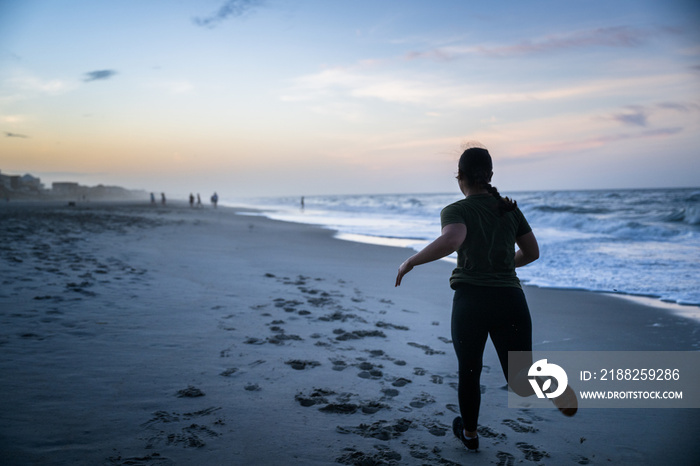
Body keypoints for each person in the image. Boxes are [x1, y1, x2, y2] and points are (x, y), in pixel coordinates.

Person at [395, 146, 576, 452]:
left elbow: (452, 240)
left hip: (472, 302)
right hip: (511, 300)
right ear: (490, 176)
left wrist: (410, 262)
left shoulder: (457, 210)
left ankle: (470, 434)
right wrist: (502, 265)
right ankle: (551, 382)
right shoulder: (510, 209)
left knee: (469, 370)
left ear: (460, 177)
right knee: (521, 377)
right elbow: (532, 253)